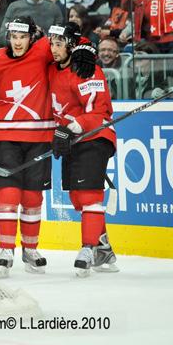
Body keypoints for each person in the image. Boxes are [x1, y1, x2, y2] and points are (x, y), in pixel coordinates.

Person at [0, 16, 96, 276]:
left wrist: (86, 49)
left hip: (39, 135)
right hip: (4, 134)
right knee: (9, 193)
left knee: (33, 196)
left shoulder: (43, 49)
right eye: (13, 36)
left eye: (22, 37)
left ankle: (30, 249)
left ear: (32, 37)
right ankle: (5, 249)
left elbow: (71, 38)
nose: (17, 42)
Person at [47, 22, 119, 277]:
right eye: (52, 44)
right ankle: (103, 247)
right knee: (78, 198)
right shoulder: (53, 69)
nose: (53, 49)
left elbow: (99, 111)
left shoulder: (86, 68)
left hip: (95, 135)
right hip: (73, 140)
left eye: (58, 44)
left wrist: (72, 127)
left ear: (70, 45)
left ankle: (88, 248)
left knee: (89, 196)